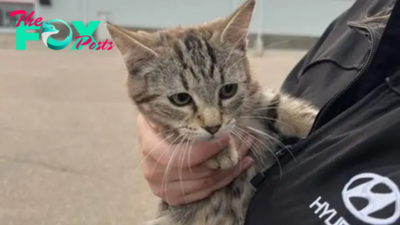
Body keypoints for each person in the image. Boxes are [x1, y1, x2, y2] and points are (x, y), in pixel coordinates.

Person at [137, 0, 400, 224]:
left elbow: (276, 106)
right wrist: (162, 135)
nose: (212, 121)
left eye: (227, 91)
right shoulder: (361, 16)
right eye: (183, 98)